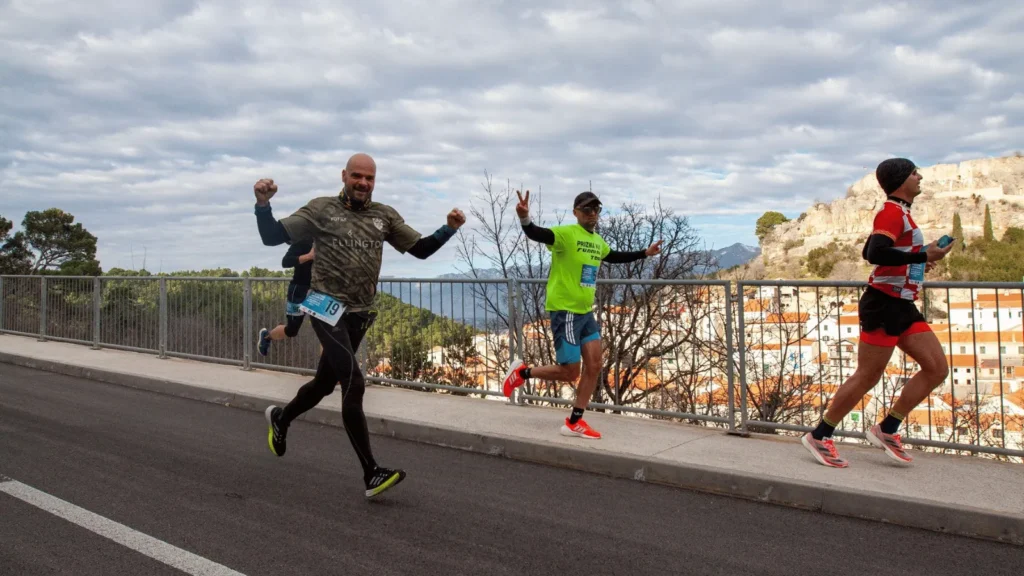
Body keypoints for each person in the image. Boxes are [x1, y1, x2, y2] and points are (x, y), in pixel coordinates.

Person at [252, 153, 466, 498]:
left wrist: (450, 228)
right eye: (356, 176)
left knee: (324, 383)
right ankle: (371, 473)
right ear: (344, 176)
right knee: (354, 382)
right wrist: (263, 205)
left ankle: (281, 417)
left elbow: (421, 250)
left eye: (369, 178)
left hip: (359, 314)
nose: (362, 183)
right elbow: (273, 238)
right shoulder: (321, 209)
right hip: (324, 306)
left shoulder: (384, 216)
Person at [802, 158, 953, 468]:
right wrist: (924, 253)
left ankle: (887, 429)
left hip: (902, 305)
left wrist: (919, 259)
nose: (920, 176)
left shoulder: (901, 213)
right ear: (901, 180)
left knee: (937, 368)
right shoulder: (891, 212)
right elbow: (874, 254)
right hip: (883, 303)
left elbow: (871, 249)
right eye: (914, 173)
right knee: (868, 376)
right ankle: (819, 435)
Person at [501, 190, 662, 439]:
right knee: (570, 372)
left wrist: (644, 253)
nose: (592, 214)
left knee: (595, 365)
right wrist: (524, 219)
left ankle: (574, 422)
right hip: (565, 311)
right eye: (587, 210)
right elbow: (537, 233)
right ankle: (521, 373)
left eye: (596, 210)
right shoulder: (565, 235)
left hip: (585, 312)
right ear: (576, 212)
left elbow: (614, 256)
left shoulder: (597, 241)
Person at [257, 239, 314, 356]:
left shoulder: (330, 240)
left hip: (319, 292)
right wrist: (309, 256)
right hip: (299, 290)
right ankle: (267, 337)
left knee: (326, 331)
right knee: (292, 330)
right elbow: (286, 261)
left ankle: (329, 371)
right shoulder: (304, 240)